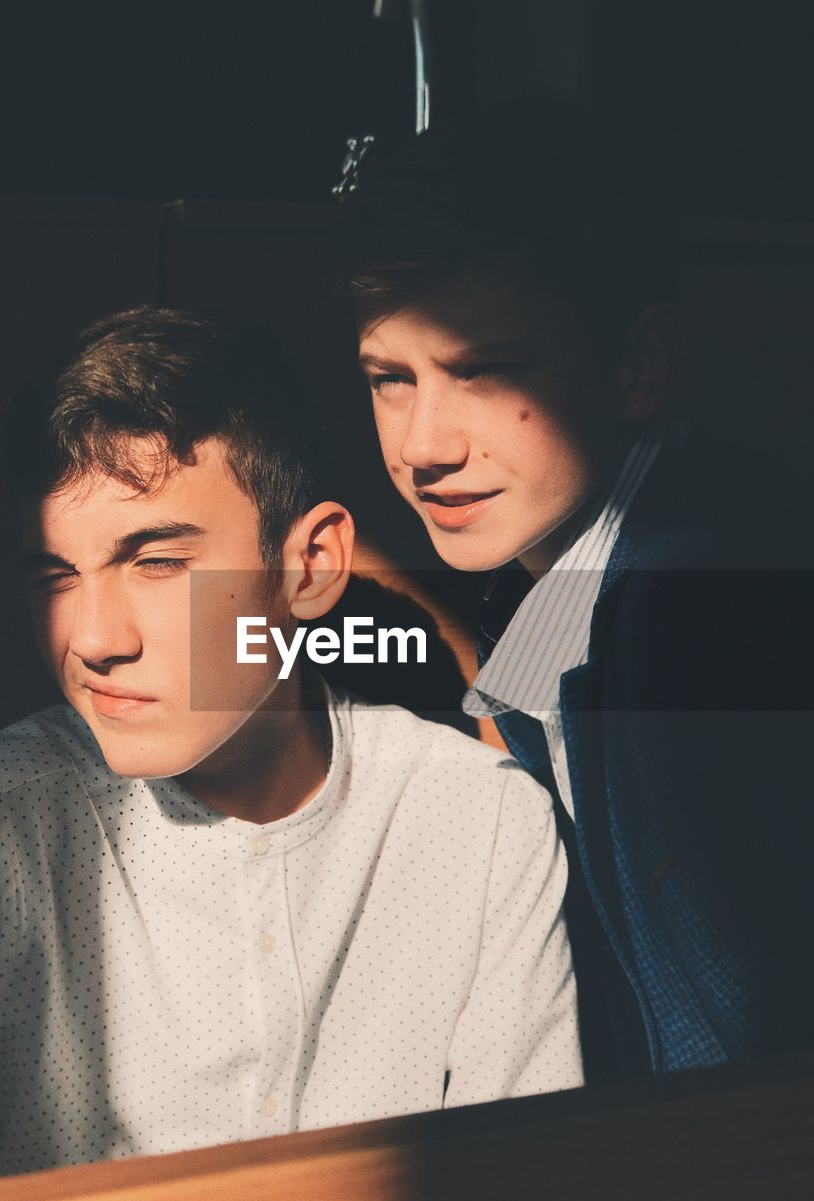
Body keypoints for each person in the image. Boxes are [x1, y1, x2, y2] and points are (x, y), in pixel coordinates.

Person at [0, 305, 580, 1193]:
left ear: (309, 567)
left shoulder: (480, 820)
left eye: (156, 562)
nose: (92, 638)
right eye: (56, 575)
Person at [337, 102, 814, 1079]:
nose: (425, 445)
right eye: (391, 379)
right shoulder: (577, 581)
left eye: (484, 372)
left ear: (637, 367)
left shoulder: (715, 606)